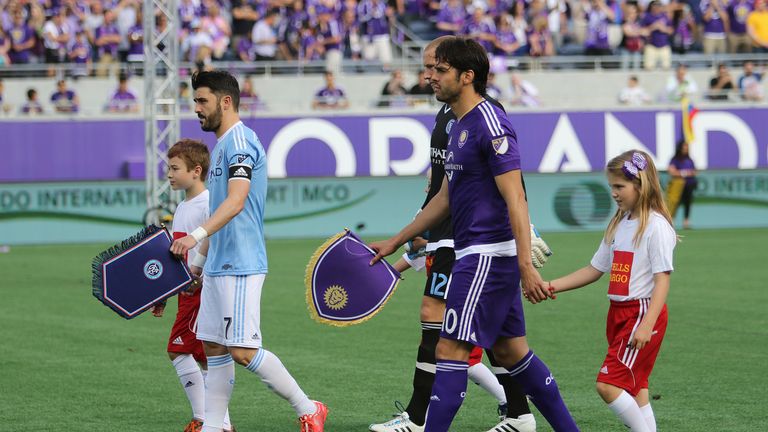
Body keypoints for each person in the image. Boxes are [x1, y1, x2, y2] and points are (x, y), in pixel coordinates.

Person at [369, 37, 579, 432]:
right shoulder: (459, 124)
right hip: (479, 254)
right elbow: (445, 197)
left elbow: (515, 196)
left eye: (441, 70)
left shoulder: (491, 123)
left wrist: (524, 266)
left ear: (468, 76)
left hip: (486, 256)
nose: (430, 76)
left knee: (449, 349)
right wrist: (397, 239)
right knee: (512, 352)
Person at [171, 70, 328, 432]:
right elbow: (217, 213)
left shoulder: (240, 142)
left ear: (225, 102)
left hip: (241, 263)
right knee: (212, 346)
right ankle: (214, 426)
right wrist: (197, 265)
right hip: (216, 267)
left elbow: (237, 201)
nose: (196, 108)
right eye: (195, 101)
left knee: (242, 351)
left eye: (202, 101)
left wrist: (194, 237)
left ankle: (308, 407)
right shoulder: (222, 145)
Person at [547, 150, 676, 432]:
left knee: (607, 385)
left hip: (640, 313)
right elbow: (594, 270)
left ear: (641, 184)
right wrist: (551, 285)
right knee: (636, 386)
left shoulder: (656, 226)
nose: (614, 193)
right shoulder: (619, 223)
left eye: (620, 186)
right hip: (618, 313)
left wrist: (646, 325)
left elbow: (662, 280)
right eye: (611, 187)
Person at [151, 139, 235, 432]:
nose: (169, 174)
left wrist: (196, 274)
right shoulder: (183, 205)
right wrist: (163, 292)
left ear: (196, 170)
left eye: (175, 168)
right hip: (186, 292)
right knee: (196, 354)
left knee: (201, 354)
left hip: (202, 290)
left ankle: (213, 421)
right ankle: (212, 421)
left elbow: (212, 238)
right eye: (168, 168)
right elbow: (178, 254)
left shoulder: (208, 203)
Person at [667, 141, 697, 229]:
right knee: (675, 202)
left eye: (687, 148)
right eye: (684, 148)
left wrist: (691, 173)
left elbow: (694, 171)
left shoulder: (689, 159)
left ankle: (686, 222)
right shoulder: (675, 160)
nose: (686, 150)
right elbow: (671, 171)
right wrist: (685, 173)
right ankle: (670, 222)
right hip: (678, 185)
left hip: (689, 184)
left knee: (688, 203)